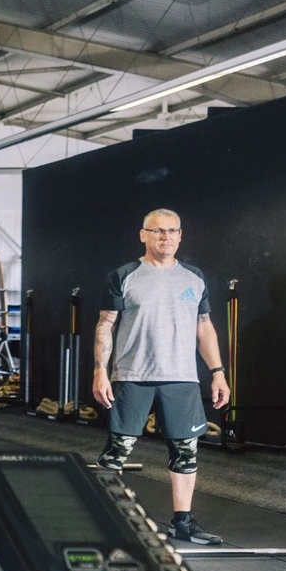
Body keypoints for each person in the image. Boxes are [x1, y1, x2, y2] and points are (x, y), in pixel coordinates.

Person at [92, 209, 229, 546]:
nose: (165, 237)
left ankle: (182, 523)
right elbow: (105, 324)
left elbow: (204, 327)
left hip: (181, 377)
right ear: (143, 235)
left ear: (180, 235)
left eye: (172, 231)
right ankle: (103, 517)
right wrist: (100, 370)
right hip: (133, 374)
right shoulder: (124, 275)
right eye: (158, 231)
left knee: (186, 451)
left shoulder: (194, 278)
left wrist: (218, 372)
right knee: (117, 450)